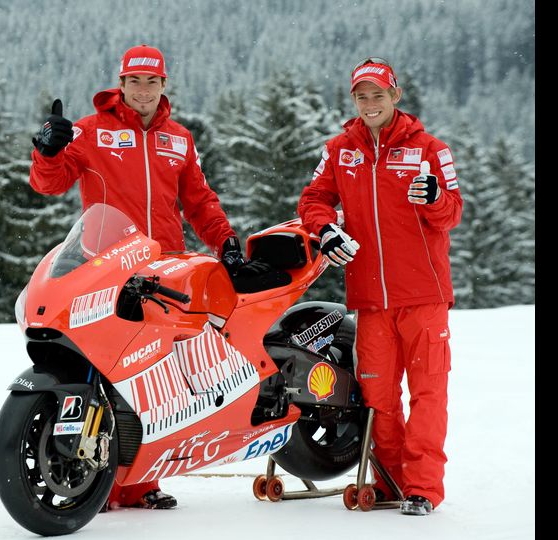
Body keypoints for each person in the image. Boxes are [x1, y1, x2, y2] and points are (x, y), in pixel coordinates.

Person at [29, 44, 259, 510]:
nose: (142, 91)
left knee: (155, 375)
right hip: (108, 264)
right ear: (121, 83)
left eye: (151, 82)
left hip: (165, 267)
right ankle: (103, 478)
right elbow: (48, 183)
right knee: (110, 366)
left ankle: (141, 480)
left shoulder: (179, 139)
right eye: (134, 82)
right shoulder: (91, 131)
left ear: (163, 85)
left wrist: (227, 243)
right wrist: (49, 151)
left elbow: (199, 202)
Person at [297, 58, 463, 516]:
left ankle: (423, 489)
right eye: (361, 96)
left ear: (396, 96)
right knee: (378, 399)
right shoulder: (339, 151)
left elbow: (453, 212)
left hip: (424, 298)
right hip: (370, 300)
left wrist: (434, 199)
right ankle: (390, 483)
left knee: (428, 395)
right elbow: (313, 199)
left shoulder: (430, 148)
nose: (370, 103)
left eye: (378, 94)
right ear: (354, 101)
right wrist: (325, 229)